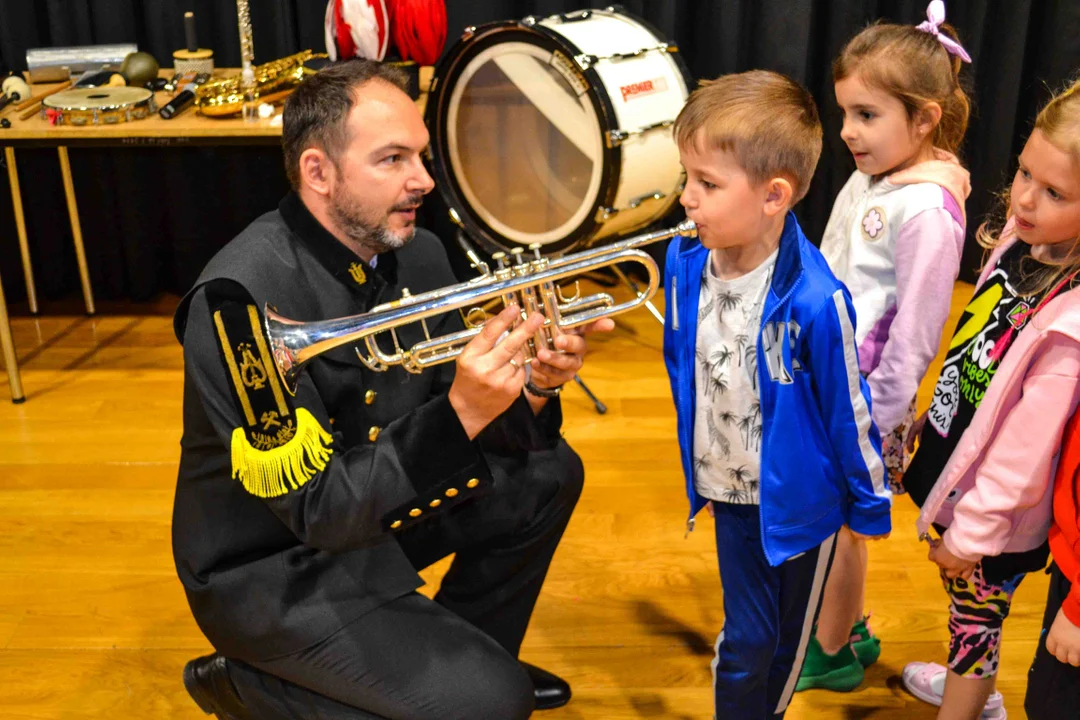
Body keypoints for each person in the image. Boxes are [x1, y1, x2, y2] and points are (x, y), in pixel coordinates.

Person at [173, 58, 612, 720]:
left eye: (423, 156)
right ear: (317, 172)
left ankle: (465, 657)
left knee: (547, 473)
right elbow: (316, 511)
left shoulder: (422, 254)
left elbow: (448, 418)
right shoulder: (237, 309)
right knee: (498, 703)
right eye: (393, 159)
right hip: (275, 567)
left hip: (371, 515)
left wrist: (532, 387)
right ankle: (246, 684)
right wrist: (463, 409)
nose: (425, 181)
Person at [662, 69, 891, 718]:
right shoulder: (685, 266)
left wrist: (868, 505)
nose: (687, 198)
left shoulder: (817, 301)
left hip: (802, 506)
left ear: (773, 196)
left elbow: (849, 411)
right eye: (689, 178)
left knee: (786, 643)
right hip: (728, 494)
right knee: (746, 640)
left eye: (706, 183)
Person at [801, 0, 973, 691]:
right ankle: (837, 623)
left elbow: (917, 335)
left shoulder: (929, 211)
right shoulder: (876, 175)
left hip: (864, 401)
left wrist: (873, 419)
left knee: (843, 528)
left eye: (866, 115)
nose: (847, 131)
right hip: (824, 380)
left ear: (925, 118)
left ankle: (831, 651)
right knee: (824, 521)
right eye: (844, 113)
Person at [901, 77, 1080, 719]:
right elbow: (981, 340)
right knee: (965, 615)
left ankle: (968, 704)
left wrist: (972, 534)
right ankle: (966, 686)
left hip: (995, 519)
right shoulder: (1023, 238)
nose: (1025, 198)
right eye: (1026, 172)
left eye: (1055, 191)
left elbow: (1021, 457)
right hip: (962, 473)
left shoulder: (1068, 327)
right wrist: (940, 409)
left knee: (976, 621)